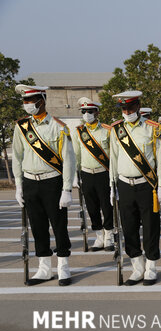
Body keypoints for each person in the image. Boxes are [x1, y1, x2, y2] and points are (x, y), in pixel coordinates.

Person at [12, 84, 76, 286]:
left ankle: (63, 266)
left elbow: (68, 160)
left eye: (30, 101)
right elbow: (17, 157)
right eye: (25, 101)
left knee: (59, 226)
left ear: (41, 100)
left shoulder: (59, 126)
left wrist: (67, 189)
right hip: (31, 182)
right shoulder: (21, 127)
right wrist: (19, 185)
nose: (27, 105)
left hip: (52, 182)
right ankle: (44, 269)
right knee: (38, 227)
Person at [109, 91, 161, 286]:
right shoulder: (116, 129)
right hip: (125, 184)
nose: (127, 111)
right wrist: (112, 185)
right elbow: (113, 160)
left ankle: (150, 268)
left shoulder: (152, 129)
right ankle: (137, 267)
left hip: (147, 185)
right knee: (129, 227)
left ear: (138, 107)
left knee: (150, 227)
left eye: (130, 107)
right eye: (124, 108)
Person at [72, 97, 114, 252]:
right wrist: (75, 175)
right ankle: (99, 236)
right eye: (84, 111)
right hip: (87, 173)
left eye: (90, 111)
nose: (87, 114)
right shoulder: (79, 131)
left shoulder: (107, 130)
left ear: (97, 112)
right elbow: (76, 154)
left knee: (106, 206)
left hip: (103, 173)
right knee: (92, 207)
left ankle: (109, 235)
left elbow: (114, 155)